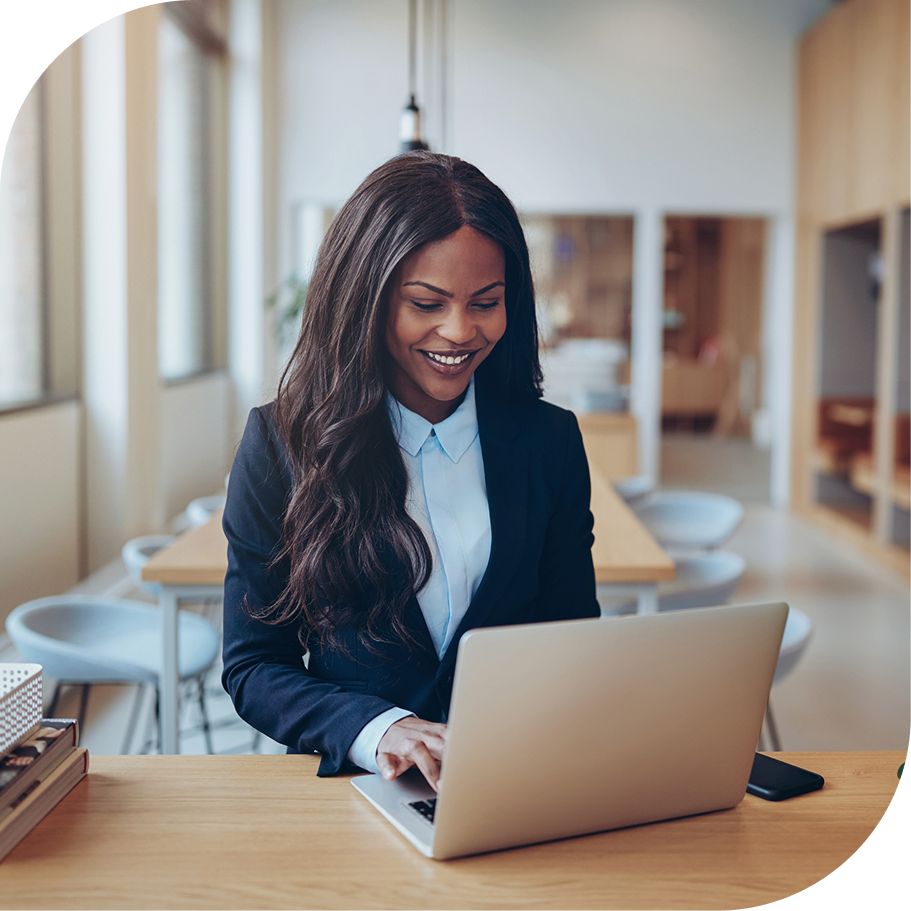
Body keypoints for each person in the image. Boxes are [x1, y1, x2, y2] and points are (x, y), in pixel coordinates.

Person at [222, 151, 599, 791]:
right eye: (427, 303)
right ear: (364, 300)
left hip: (513, 782)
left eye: (486, 302)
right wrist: (382, 730)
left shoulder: (549, 442)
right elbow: (255, 665)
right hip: (355, 789)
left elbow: (571, 638)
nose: (459, 331)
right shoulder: (283, 444)